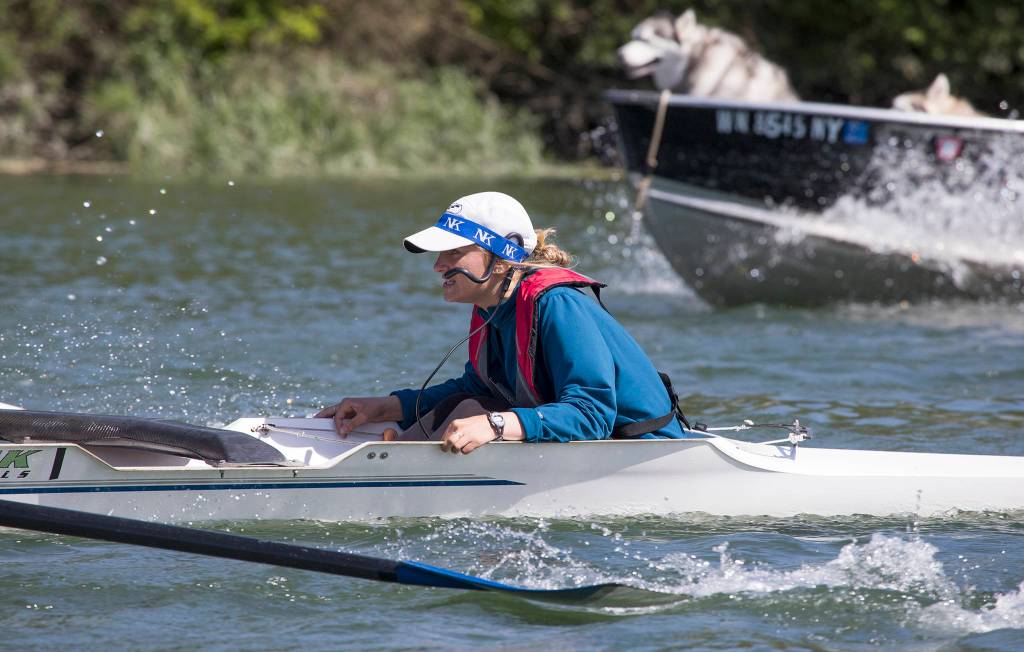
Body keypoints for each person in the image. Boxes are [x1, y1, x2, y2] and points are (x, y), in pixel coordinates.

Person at [315, 191, 690, 453]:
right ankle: (393, 455)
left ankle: (392, 462)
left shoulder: (558, 304)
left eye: (455, 252)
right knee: (466, 405)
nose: (438, 266)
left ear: (502, 257)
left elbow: (591, 414)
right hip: (592, 452)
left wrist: (495, 426)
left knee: (475, 415)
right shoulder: (492, 304)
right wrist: (385, 407)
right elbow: (477, 388)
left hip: (647, 455)